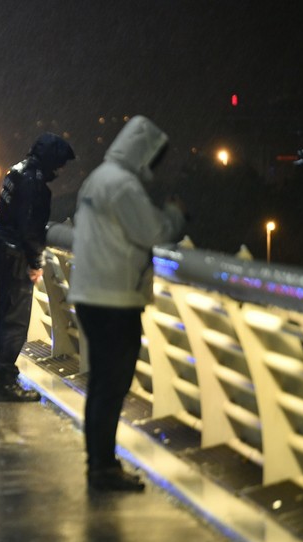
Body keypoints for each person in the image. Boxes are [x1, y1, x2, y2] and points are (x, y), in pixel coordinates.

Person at [68, 115, 185, 492]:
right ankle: (102, 468)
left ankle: (98, 463)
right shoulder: (123, 185)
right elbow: (153, 232)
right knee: (111, 385)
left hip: (90, 293)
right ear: (142, 153)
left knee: (102, 384)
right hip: (114, 298)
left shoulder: (99, 178)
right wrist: (176, 215)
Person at [0, 133, 75, 402]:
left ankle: (3, 378)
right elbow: (30, 227)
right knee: (15, 322)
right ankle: (4, 383)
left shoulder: (15, 171)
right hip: (16, 258)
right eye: (60, 164)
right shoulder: (34, 183)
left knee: (5, 317)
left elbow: (5, 214)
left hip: (0, 250)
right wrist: (35, 262)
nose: (60, 171)